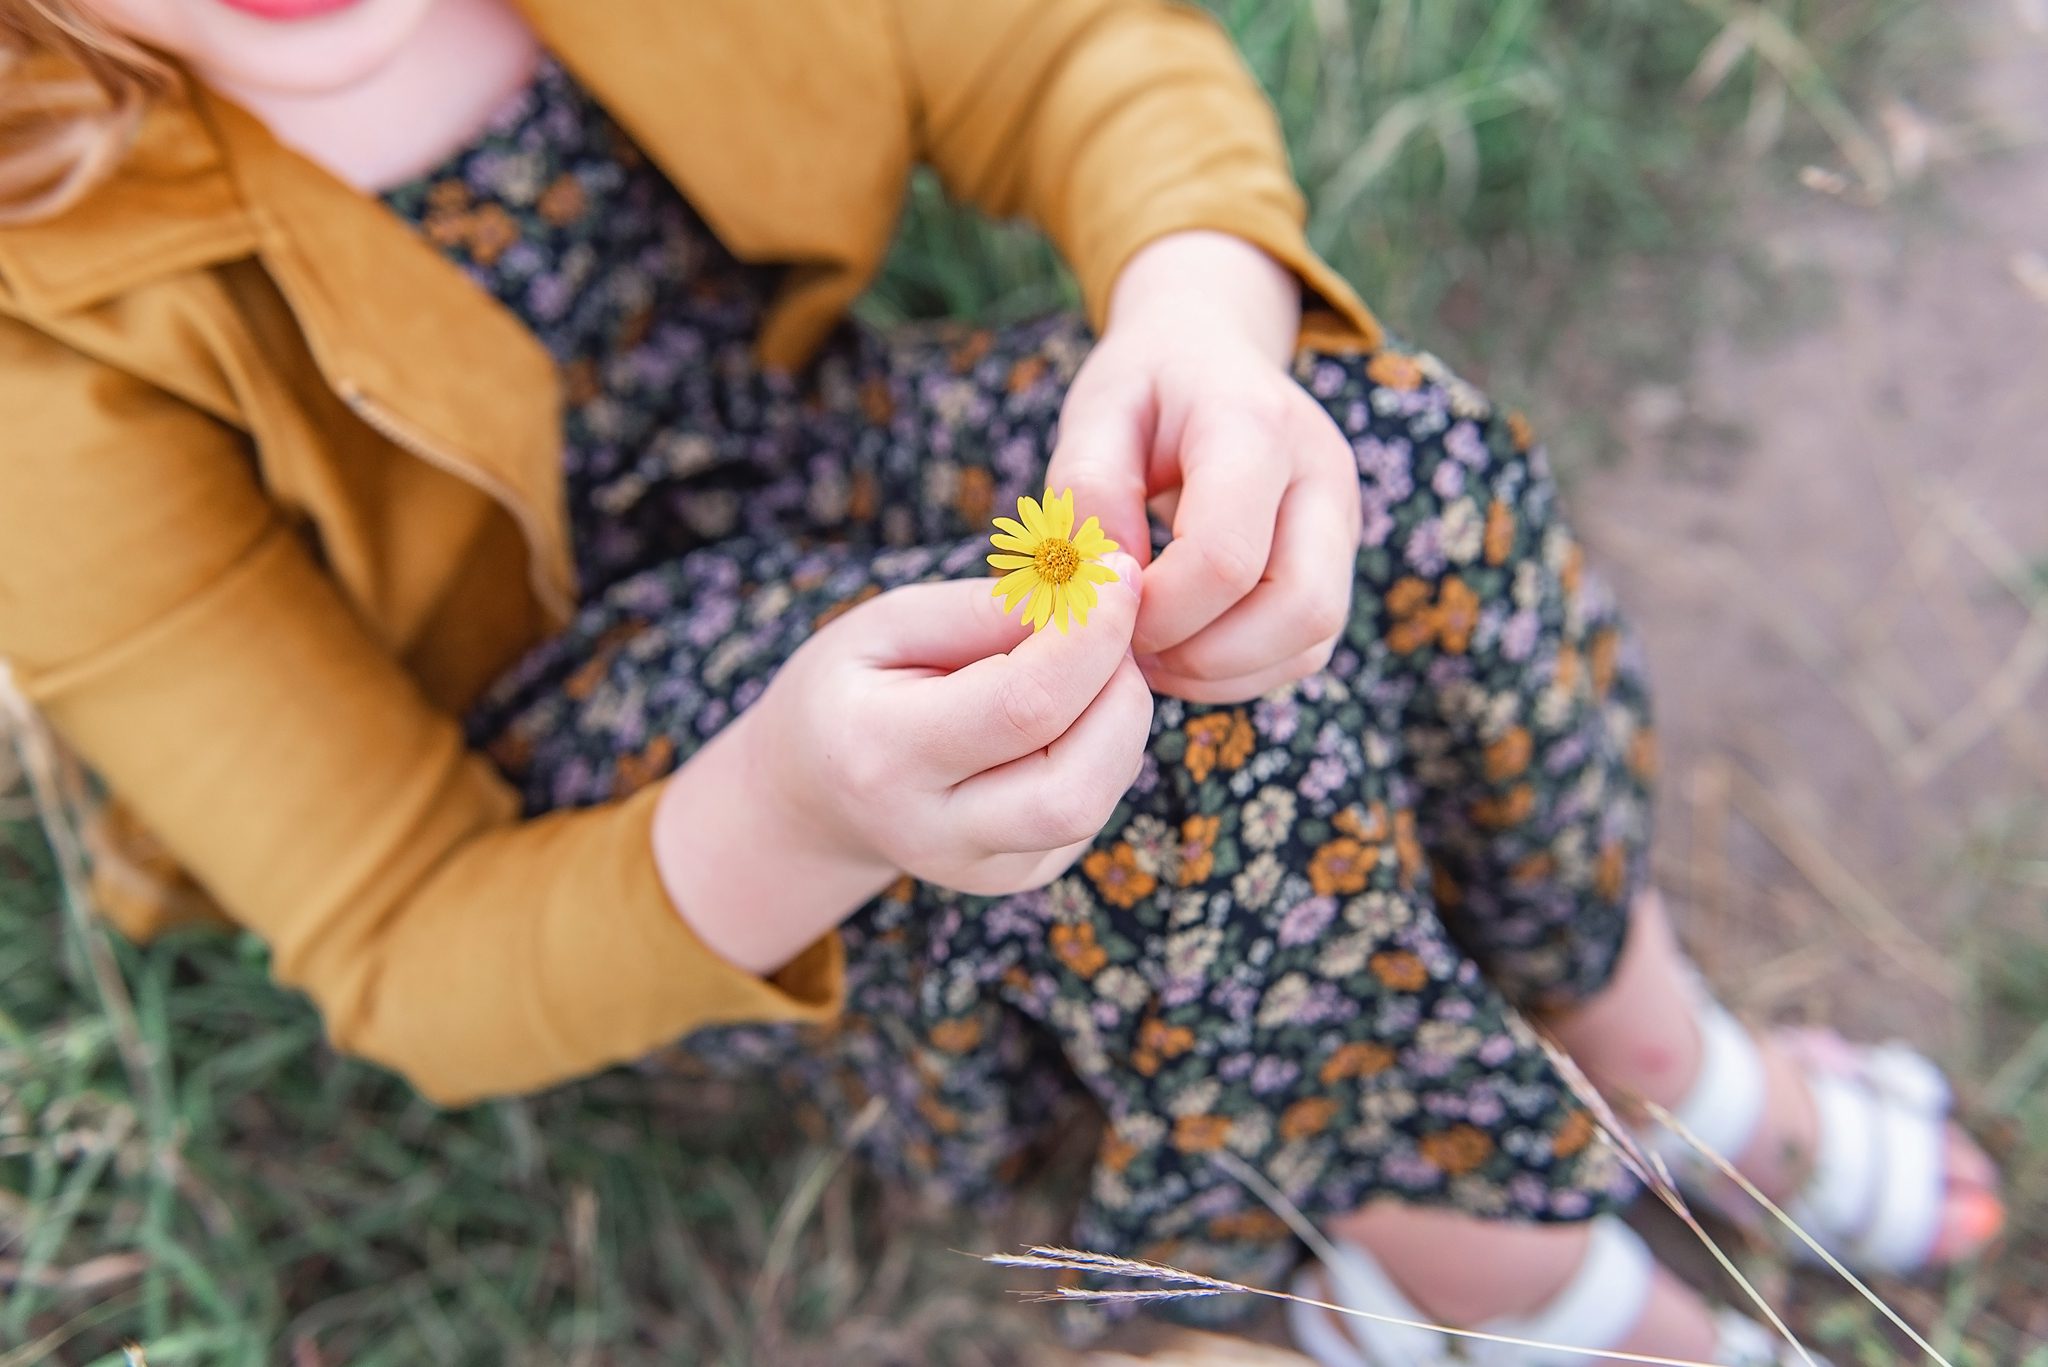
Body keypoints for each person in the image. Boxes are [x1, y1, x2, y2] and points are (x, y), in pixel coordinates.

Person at [0, 1, 2002, 1361]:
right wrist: (794, 806)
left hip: (823, 436)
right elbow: (404, 936)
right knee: (1136, 743)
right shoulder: (41, 304)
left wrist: (1203, 323)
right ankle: (1459, 1257)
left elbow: (1064, 51)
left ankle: (1630, 1041)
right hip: (621, 798)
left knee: (1385, 465)